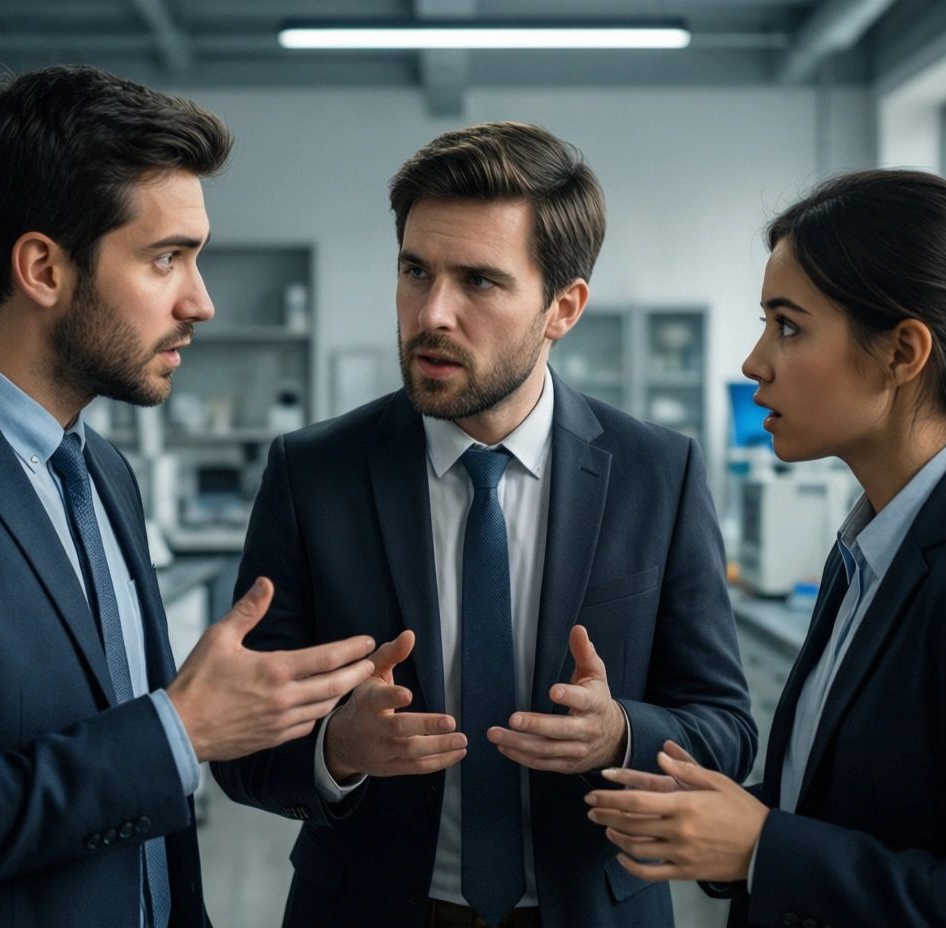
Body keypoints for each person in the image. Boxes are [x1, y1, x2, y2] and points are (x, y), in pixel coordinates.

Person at [0, 65, 378, 927]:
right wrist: (177, 732)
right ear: (43, 267)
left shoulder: (100, 471)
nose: (201, 301)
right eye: (167, 259)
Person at [211, 121, 757, 928]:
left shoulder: (657, 473)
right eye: (415, 271)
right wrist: (336, 749)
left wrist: (619, 737)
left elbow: (726, 729)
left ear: (562, 308)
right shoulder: (312, 475)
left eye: (480, 282)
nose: (432, 313)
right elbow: (239, 743)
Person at [585, 169, 946, 928]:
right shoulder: (872, 549)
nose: (755, 362)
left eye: (788, 326)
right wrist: (715, 820)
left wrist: (763, 849)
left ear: (902, 352)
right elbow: (866, 817)